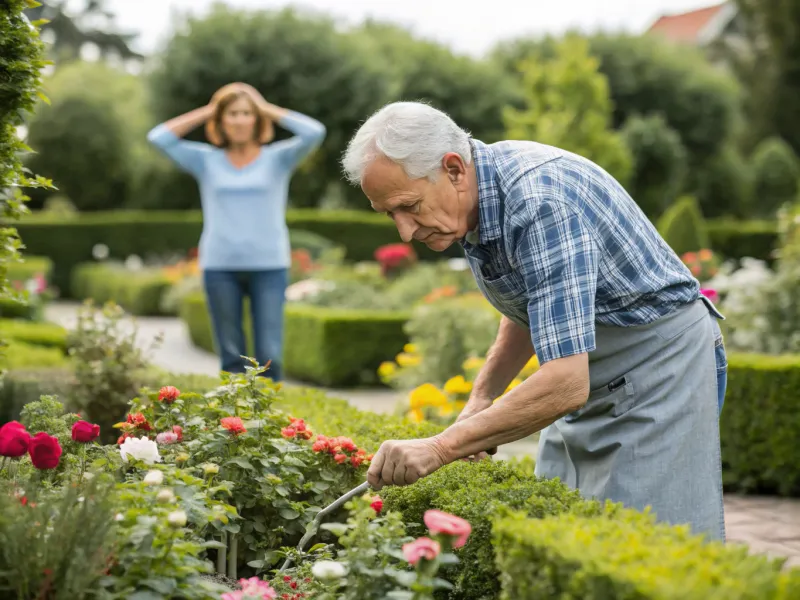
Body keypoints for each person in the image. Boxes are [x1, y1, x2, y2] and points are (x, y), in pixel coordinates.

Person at [342, 101, 727, 541]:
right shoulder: (473, 202)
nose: (405, 231)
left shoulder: (540, 203)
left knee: (648, 544)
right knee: (563, 534)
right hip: (592, 370)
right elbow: (535, 306)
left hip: (660, 367)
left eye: (410, 207)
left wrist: (440, 447)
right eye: (390, 214)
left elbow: (565, 382)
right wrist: (480, 402)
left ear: (453, 169)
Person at [147, 83, 326, 380]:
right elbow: (158, 137)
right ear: (221, 121)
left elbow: (314, 132)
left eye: (246, 113)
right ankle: (235, 422)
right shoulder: (205, 159)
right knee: (231, 357)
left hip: (269, 265)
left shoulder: (278, 158)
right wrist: (210, 109)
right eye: (232, 113)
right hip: (220, 265)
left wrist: (263, 105)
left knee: (271, 355)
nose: (240, 120)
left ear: (257, 119)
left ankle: (267, 420)